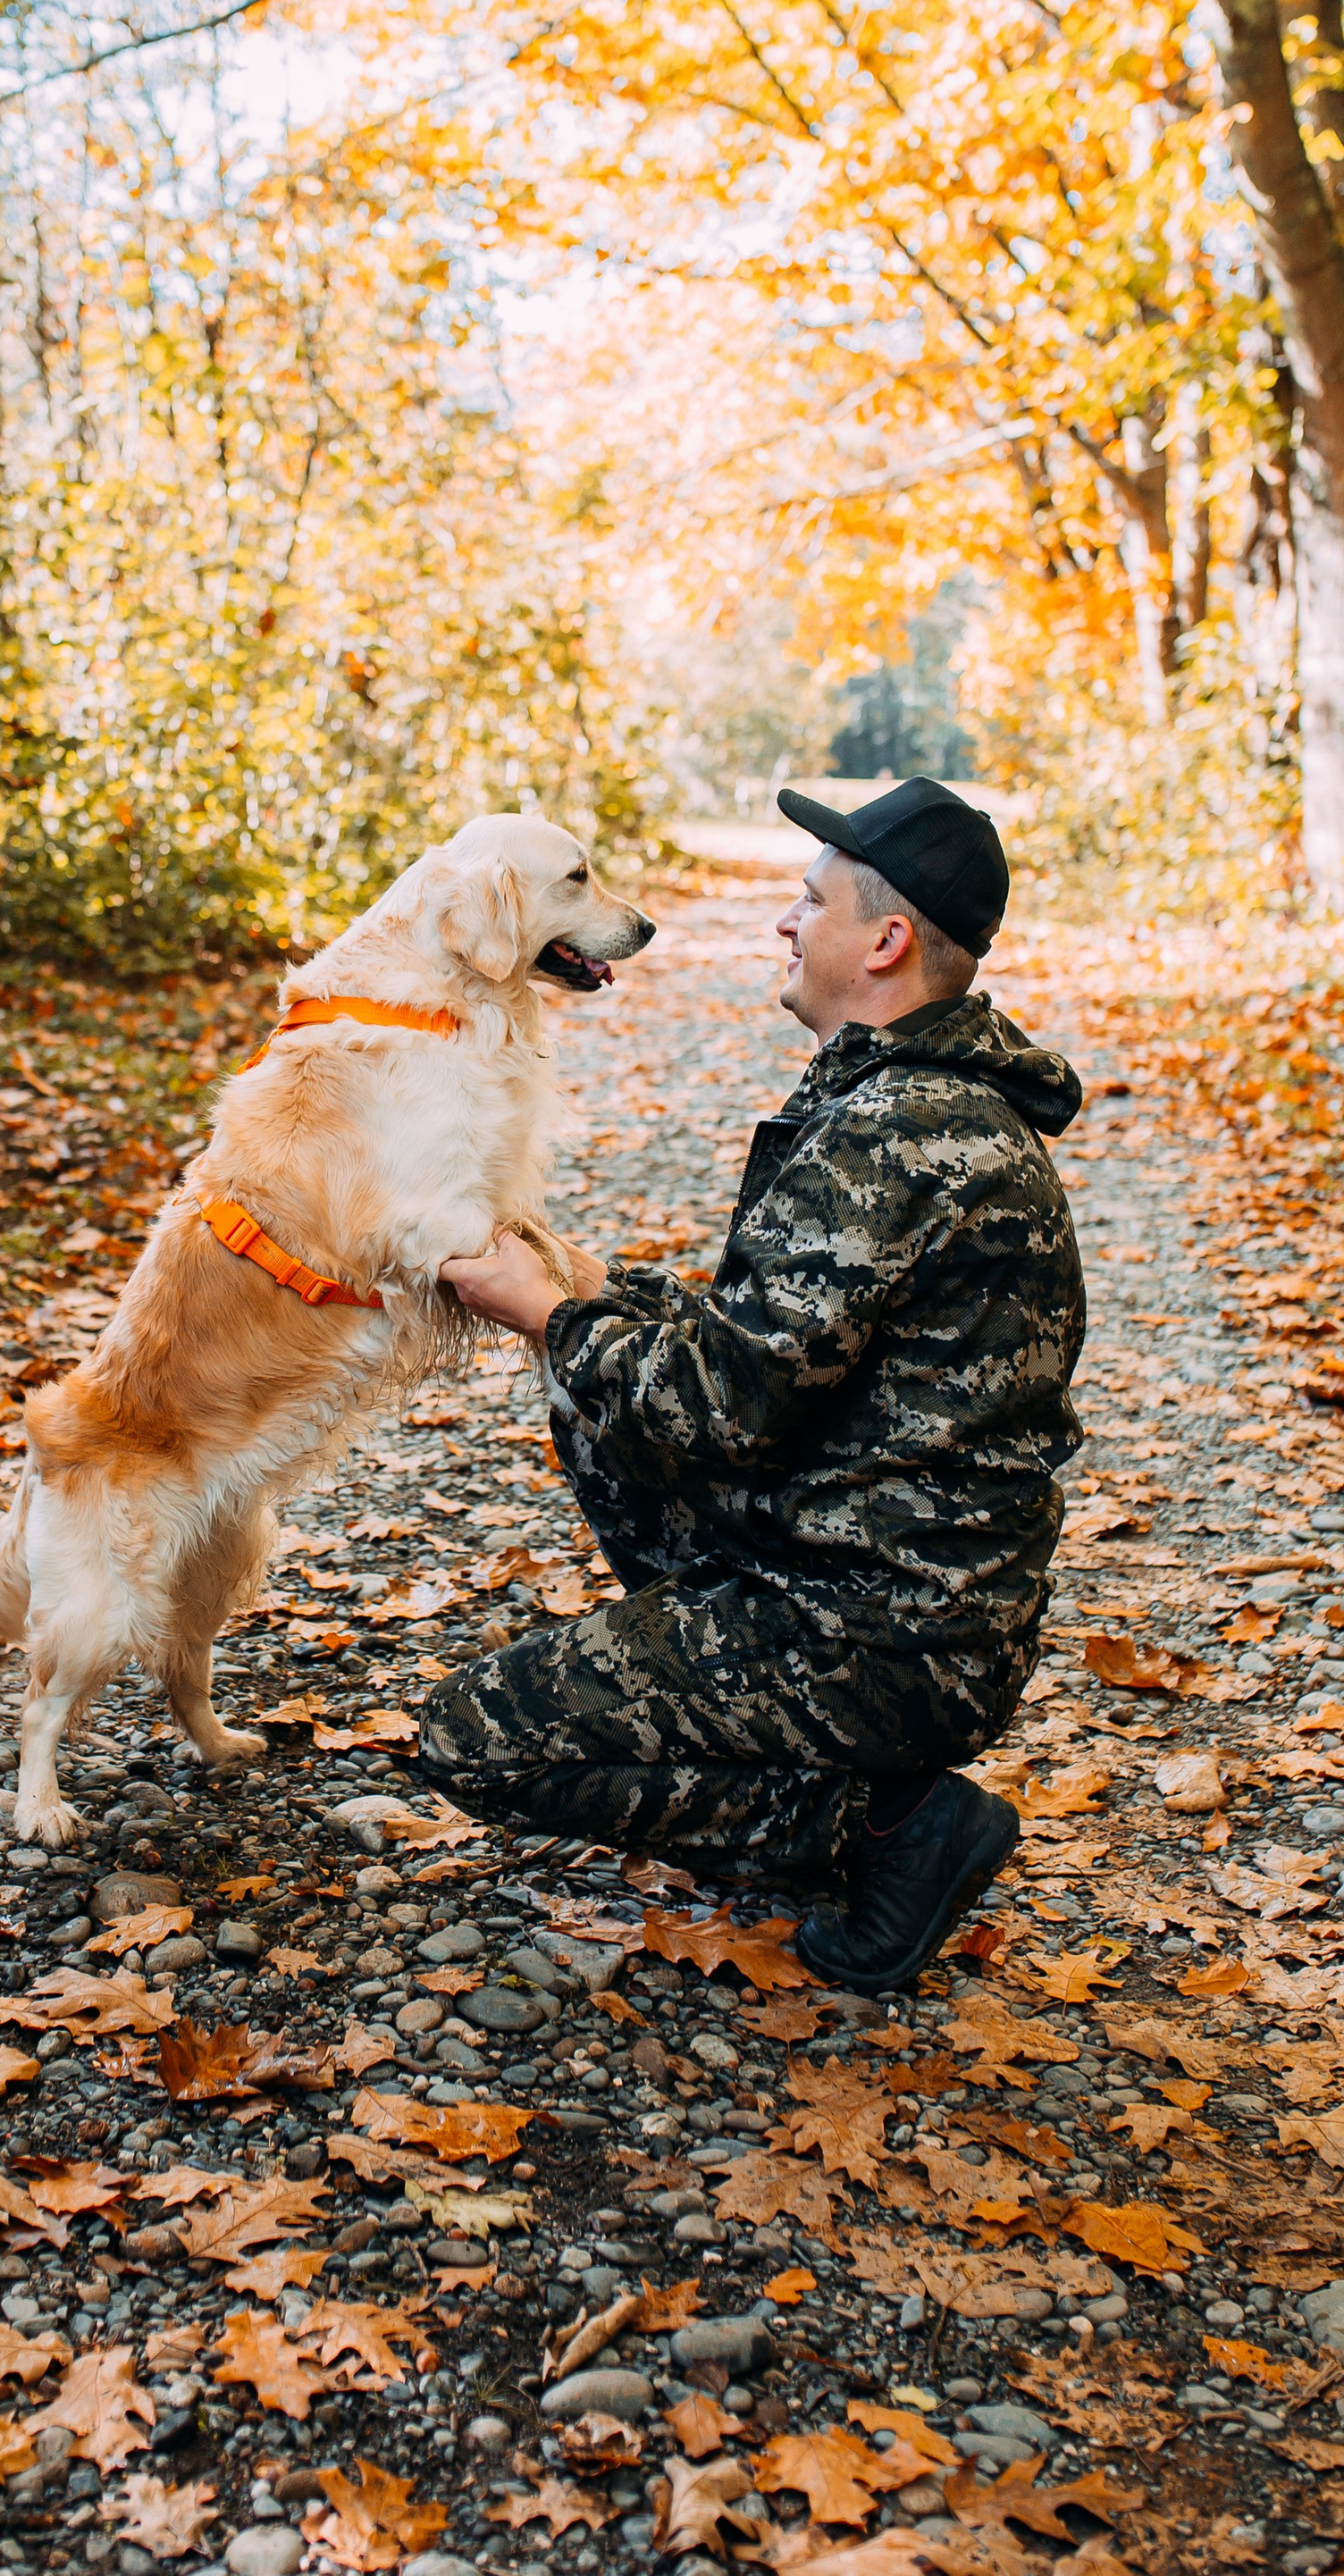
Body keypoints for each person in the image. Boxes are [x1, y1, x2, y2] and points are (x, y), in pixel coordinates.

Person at [423, 776, 1086, 1993]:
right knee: (596, 1382)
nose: (785, 920)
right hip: (888, 1578)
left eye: (810, 901)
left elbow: (722, 1409)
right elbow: (769, 1350)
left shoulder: (902, 1132)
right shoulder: (903, 1101)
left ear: (885, 943)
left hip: (888, 1626)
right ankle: (801, 1744)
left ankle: (890, 1828)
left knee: (476, 1738)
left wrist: (549, 1313)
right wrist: (590, 1290)